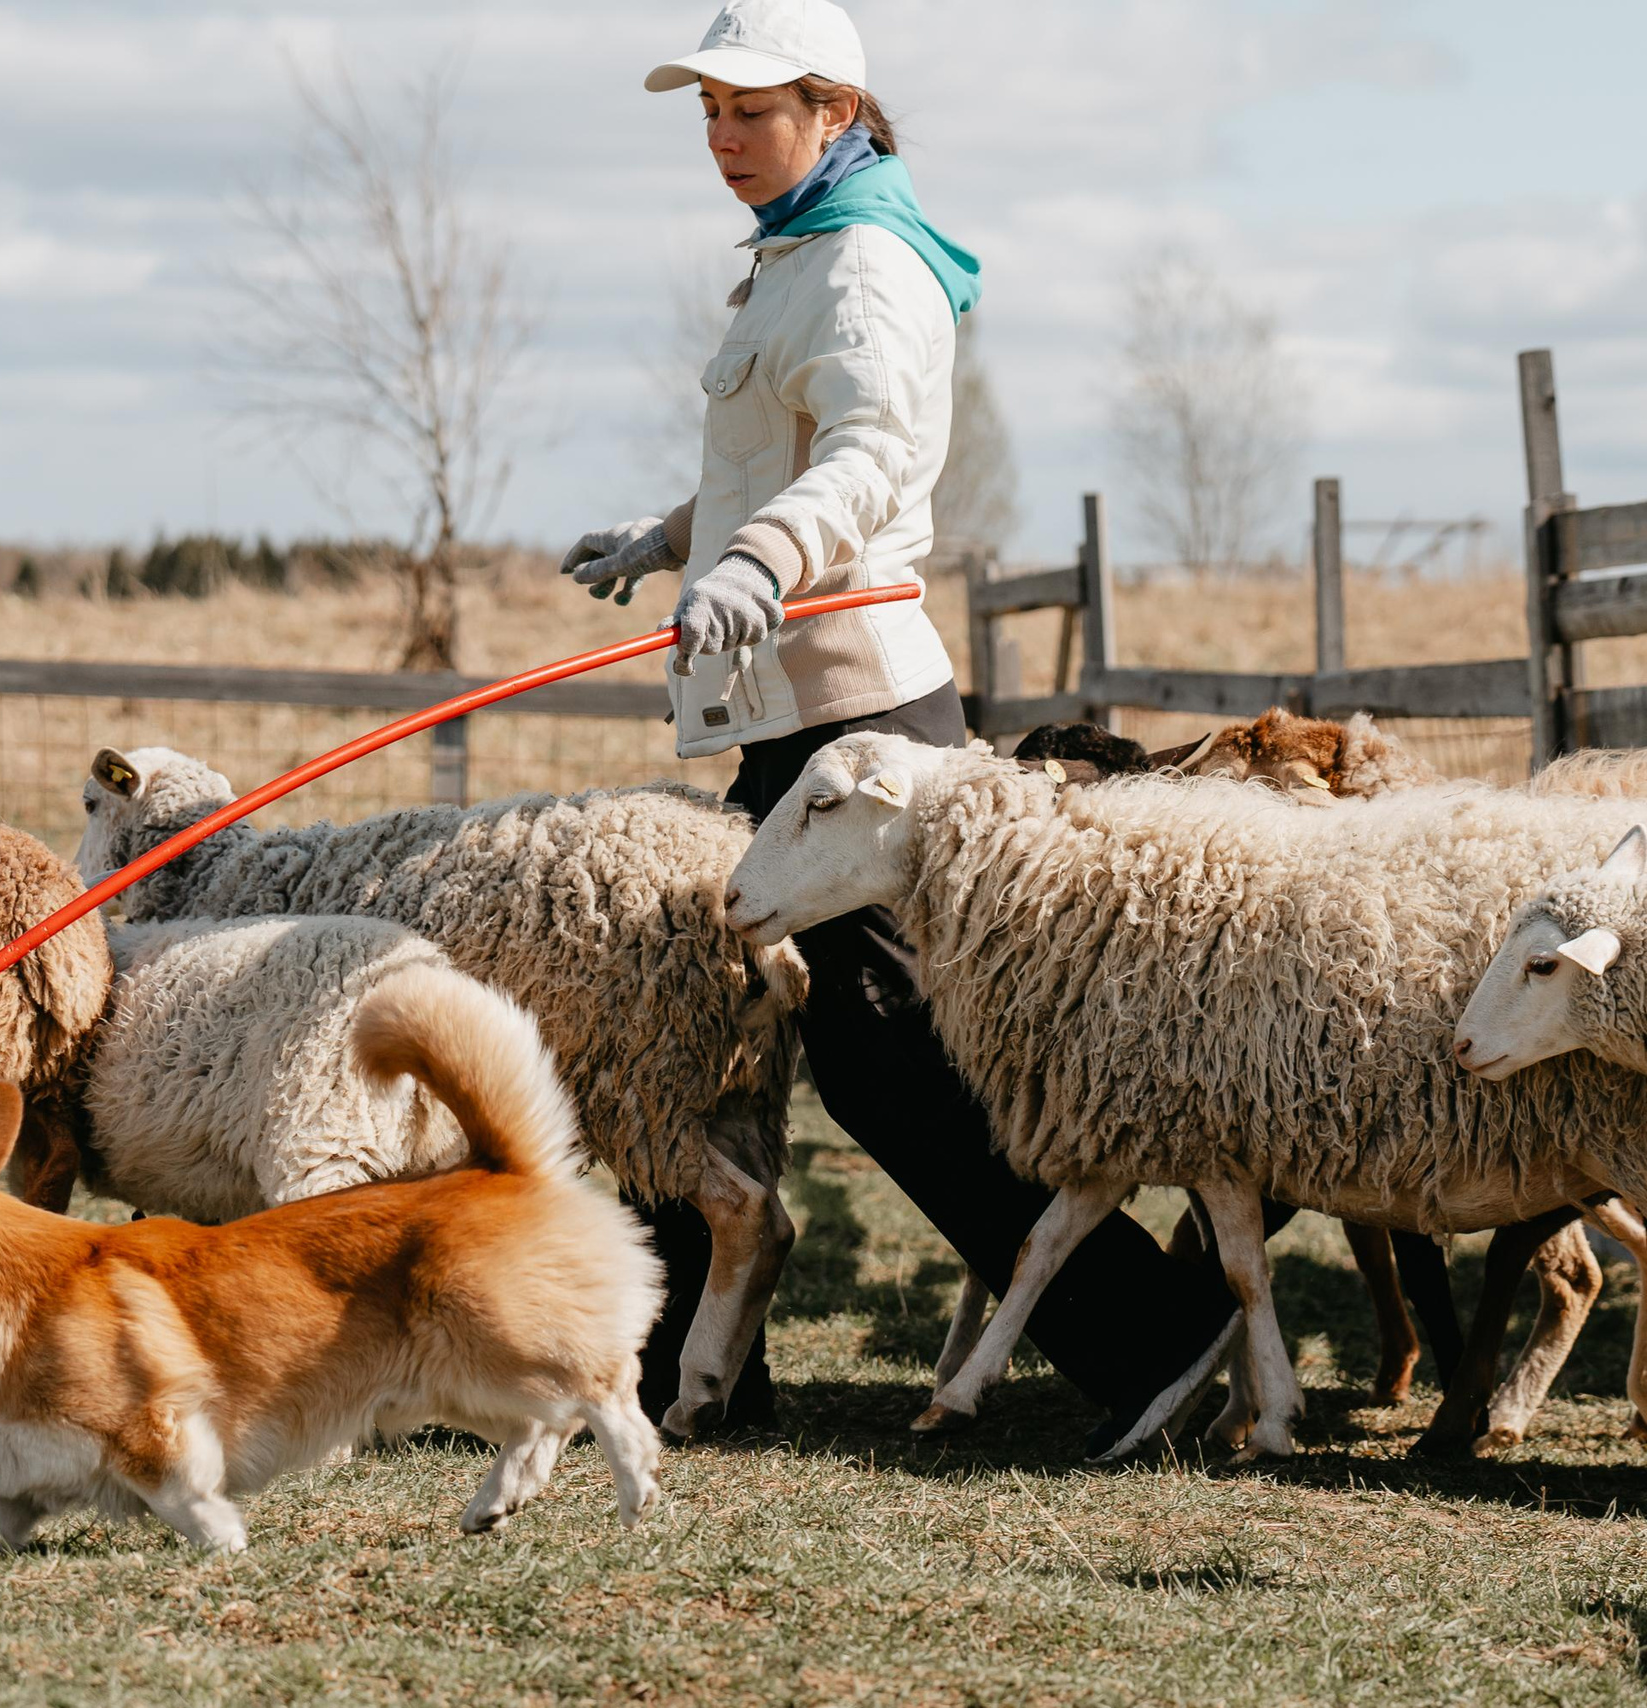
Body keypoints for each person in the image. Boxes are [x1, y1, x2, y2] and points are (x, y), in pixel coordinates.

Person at [569, 0, 1242, 1458]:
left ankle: (1158, 1342)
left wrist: (755, 564)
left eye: (752, 110)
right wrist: (678, 531)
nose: (723, 137)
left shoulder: (869, 265)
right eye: (708, 112)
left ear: (838, 109)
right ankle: (674, 1370)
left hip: (855, 714)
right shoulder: (794, 259)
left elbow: (873, 458)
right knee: (704, 1013)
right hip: (783, 706)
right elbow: (778, 449)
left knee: (891, 1060)